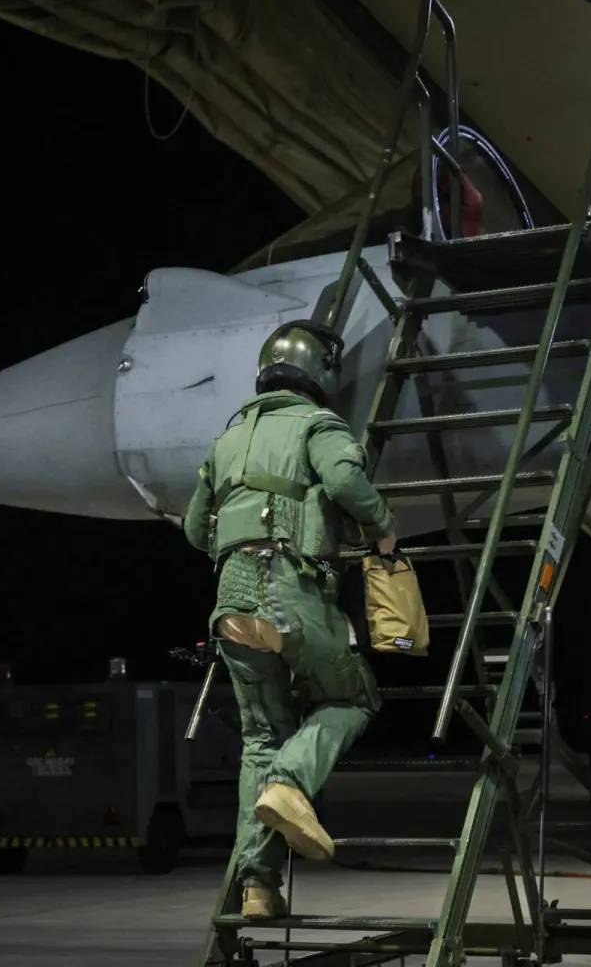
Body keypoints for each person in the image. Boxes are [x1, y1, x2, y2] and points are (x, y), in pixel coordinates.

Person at [184, 319, 397, 922]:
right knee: (352, 699)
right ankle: (290, 782)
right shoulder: (317, 424)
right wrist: (382, 528)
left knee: (258, 737)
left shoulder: (226, 441)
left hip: (232, 605)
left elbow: (196, 530)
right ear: (319, 373)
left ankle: (258, 888)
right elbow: (346, 481)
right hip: (290, 594)